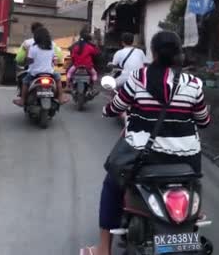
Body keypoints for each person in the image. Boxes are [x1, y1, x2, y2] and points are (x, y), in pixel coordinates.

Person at [88, 31, 210, 255]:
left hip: (143, 157)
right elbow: (203, 121)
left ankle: (103, 248)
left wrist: (107, 110)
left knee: (111, 185)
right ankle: (195, 213)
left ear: (153, 53)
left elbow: (115, 107)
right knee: (193, 184)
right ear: (178, 54)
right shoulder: (193, 83)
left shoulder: (138, 78)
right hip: (188, 160)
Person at [13, 27, 69, 106]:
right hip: (50, 73)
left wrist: (27, 59)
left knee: (25, 81)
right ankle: (60, 97)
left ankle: (22, 100)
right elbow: (55, 60)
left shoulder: (33, 48)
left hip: (35, 73)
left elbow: (29, 61)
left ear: (36, 38)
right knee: (58, 79)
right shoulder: (51, 47)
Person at [68, 29, 100, 93]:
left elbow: (72, 56)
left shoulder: (75, 47)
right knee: (94, 74)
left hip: (76, 65)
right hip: (88, 66)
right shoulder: (90, 47)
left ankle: (68, 86)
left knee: (69, 73)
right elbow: (96, 53)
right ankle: (93, 87)